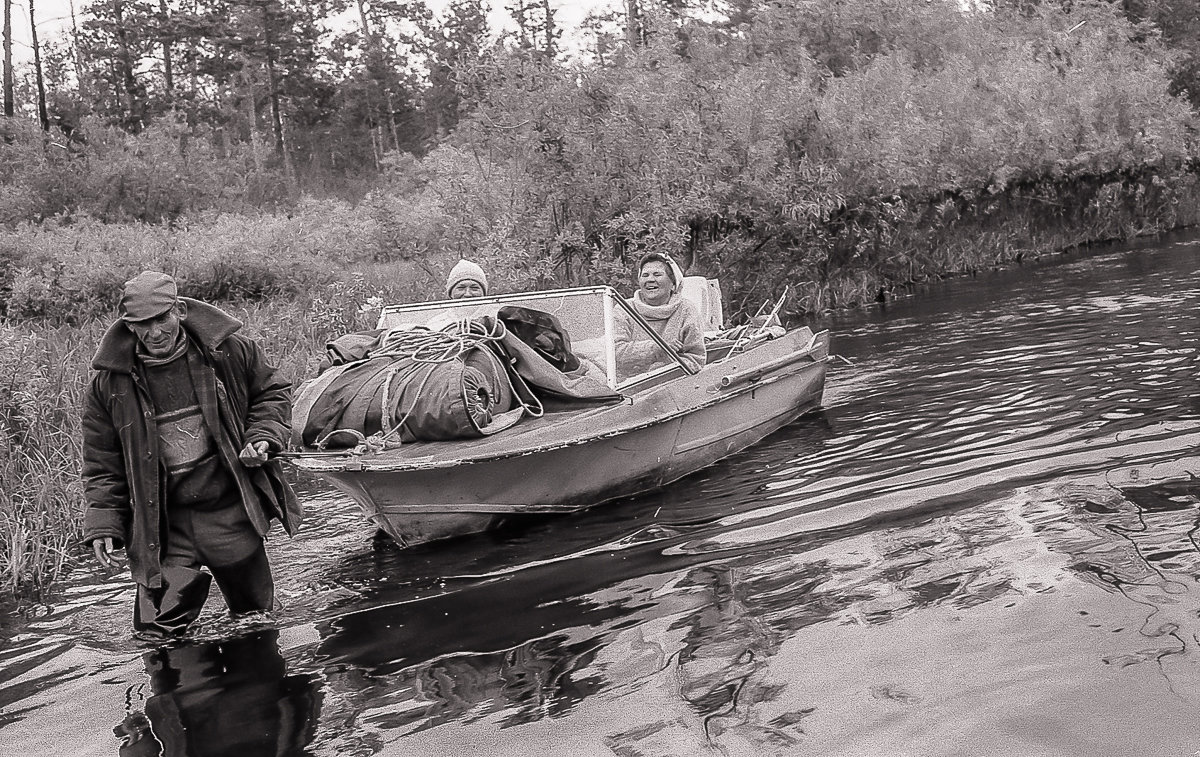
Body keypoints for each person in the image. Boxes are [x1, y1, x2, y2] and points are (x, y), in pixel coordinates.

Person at [82, 271, 302, 640]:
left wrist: (262, 437)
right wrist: (104, 523)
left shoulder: (230, 352)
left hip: (230, 511)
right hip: (165, 526)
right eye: (142, 324)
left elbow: (272, 394)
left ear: (180, 310)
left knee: (256, 622)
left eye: (162, 318)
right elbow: (102, 462)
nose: (154, 333)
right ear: (128, 326)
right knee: (156, 635)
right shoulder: (109, 385)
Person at [614, 252, 706, 376]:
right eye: (645, 275)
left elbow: (696, 359)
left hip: (672, 384)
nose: (650, 279)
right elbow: (614, 353)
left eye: (657, 274)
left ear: (673, 284)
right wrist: (656, 348)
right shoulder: (623, 309)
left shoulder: (687, 310)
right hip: (625, 385)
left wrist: (661, 372)